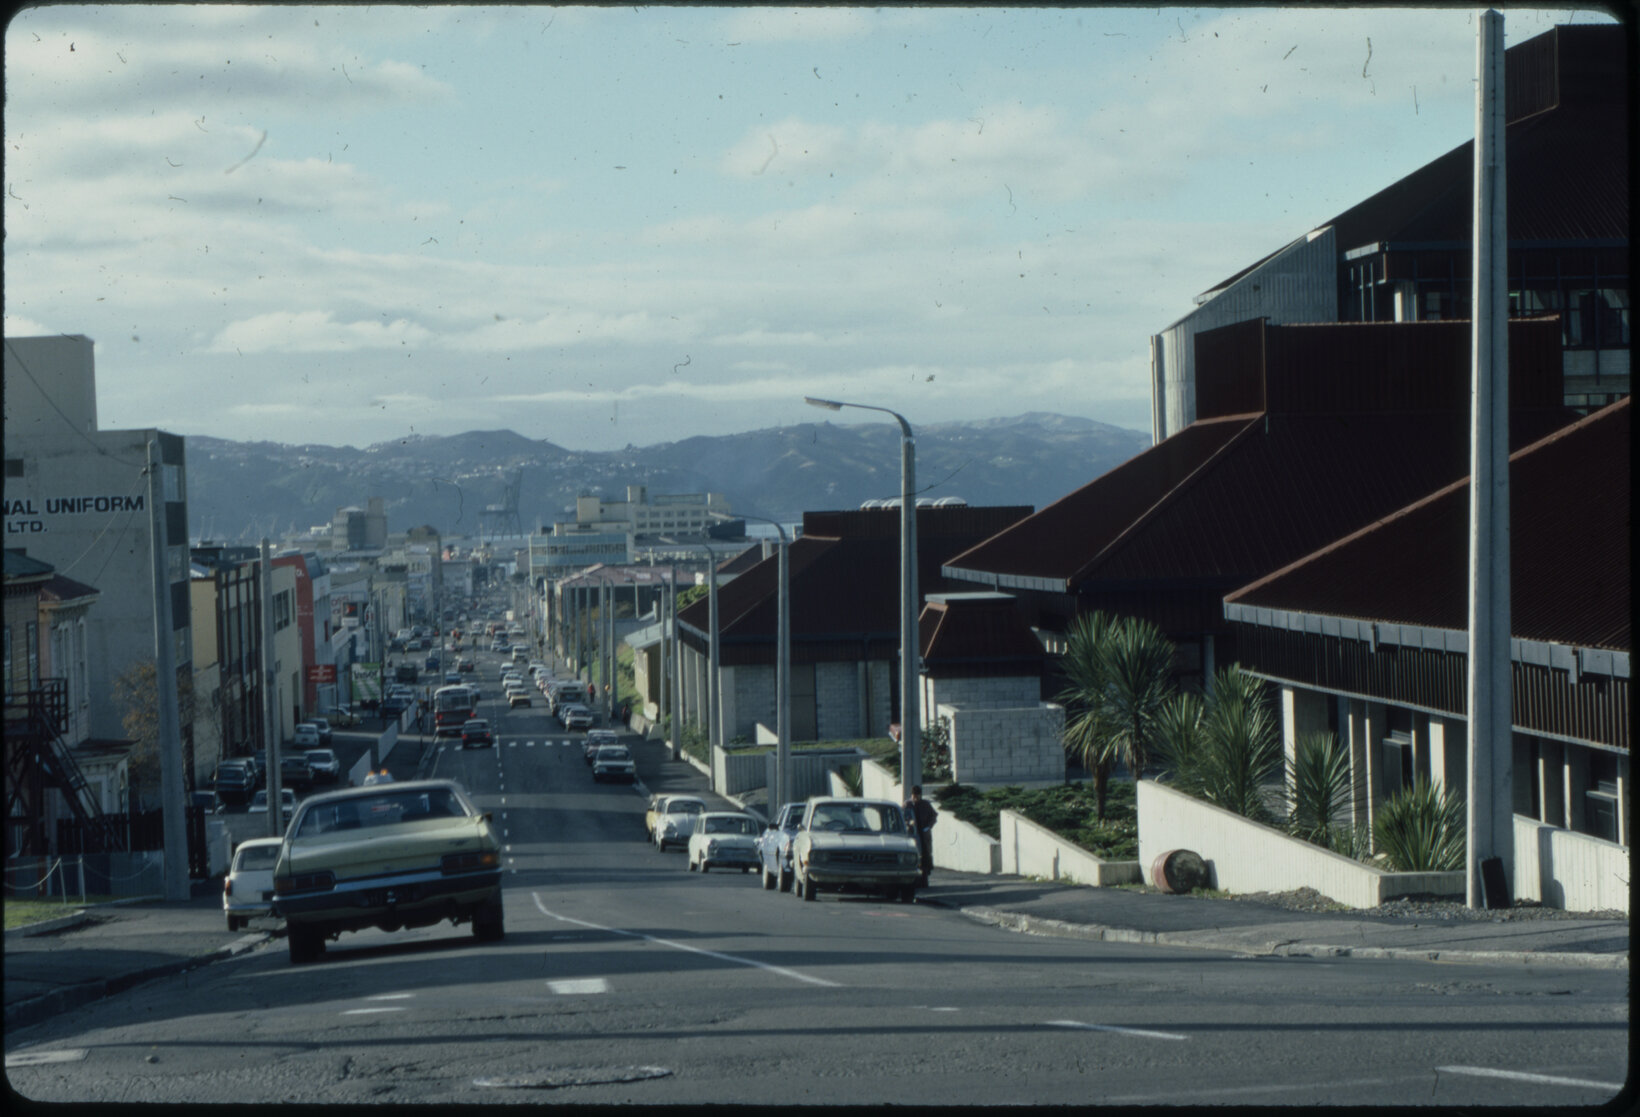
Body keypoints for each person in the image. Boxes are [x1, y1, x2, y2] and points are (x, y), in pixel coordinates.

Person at [905, 785, 937, 886]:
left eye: (917, 796)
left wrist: (928, 827)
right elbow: (902, 817)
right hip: (912, 834)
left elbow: (934, 816)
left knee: (925, 855)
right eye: (914, 796)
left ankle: (924, 879)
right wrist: (908, 823)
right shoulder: (907, 804)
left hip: (923, 834)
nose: (916, 798)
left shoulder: (925, 804)